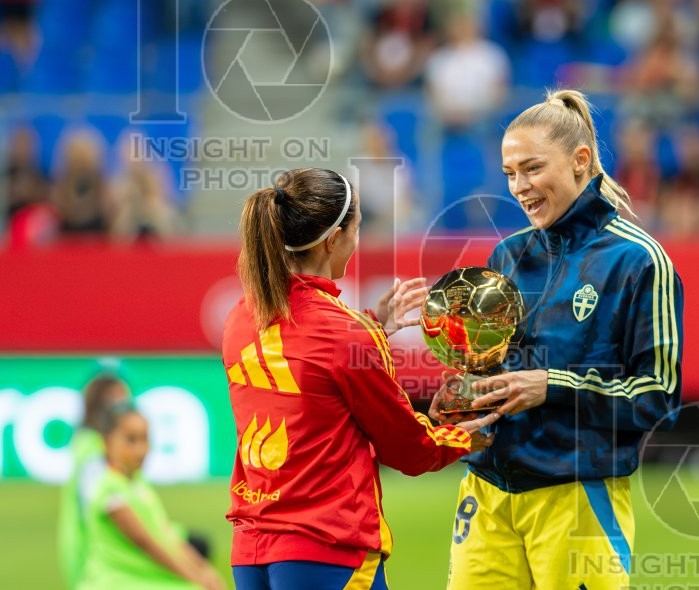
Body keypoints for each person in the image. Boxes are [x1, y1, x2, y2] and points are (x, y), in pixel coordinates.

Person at [430, 89, 684, 589]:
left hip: (577, 498)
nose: (519, 187)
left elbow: (659, 397)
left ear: (580, 161)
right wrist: (461, 398)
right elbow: (493, 375)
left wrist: (554, 385)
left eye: (532, 169)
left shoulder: (639, 262)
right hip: (486, 493)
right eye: (509, 174)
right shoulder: (507, 256)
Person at [223, 167, 498, 590]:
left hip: (250, 550)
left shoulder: (242, 316)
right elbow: (407, 447)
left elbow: (305, 370)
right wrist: (460, 436)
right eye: (357, 229)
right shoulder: (345, 333)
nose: (357, 241)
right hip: (326, 545)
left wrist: (373, 326)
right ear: (334, 239)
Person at [76, 402, 225, 589]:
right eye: (131, 440)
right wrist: (194, 578)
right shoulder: (110, 490)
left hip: (141, 578)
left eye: (145, 439)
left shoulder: (138, 483)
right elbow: (148, 544)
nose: (141, 450)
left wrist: (204, 570)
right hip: (115, 581)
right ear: (107, 442)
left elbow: (166, 533)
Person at [58, 373, 131, 588]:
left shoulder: (90, 443)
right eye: (118, 399)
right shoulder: (94, 450)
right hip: (95, 556)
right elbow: (108, 503)